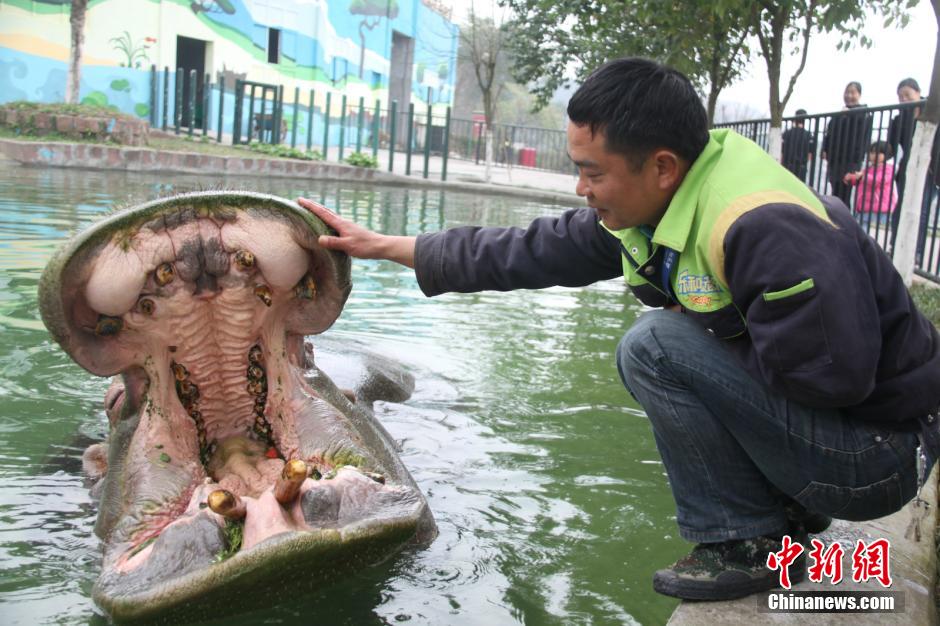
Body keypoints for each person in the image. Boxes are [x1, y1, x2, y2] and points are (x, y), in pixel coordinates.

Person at [297, 58, 940, 602]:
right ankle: (782, 517)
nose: (580, 189)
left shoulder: (764, 228)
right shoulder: (662, 203)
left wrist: (708, 329)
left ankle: (745, 541)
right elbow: (527, 249)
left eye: (593, 172)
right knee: (667, 340)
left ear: (661, 166)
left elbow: (836, 377)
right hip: (840, 439)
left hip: (877, 459)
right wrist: (386, 245)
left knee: (655, 346)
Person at [888, 77, 940, 261]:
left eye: (907, 95)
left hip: (929, 171)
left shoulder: (933, 115)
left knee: (921, 210)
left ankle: (915, 252)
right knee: (900, 208)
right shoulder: (900, 118)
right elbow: (891, 148)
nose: (903, 100)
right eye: (900, 96)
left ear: (918, 93)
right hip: (907, 171)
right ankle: (895, 245)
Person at [822, 81, 873, 206]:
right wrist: (825, 149)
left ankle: (842, 221)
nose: (849, 95)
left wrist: (847, 115)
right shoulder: (838, 115)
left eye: (852, 92)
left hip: (850, 161)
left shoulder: (864, 113)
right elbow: (829, 133)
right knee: (836, 193)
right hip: (835, 160)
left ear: (859, 95)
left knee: (844, 194)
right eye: (847, 92)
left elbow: (862, 138)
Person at [843, 140, 896, 225]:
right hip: (864, 208)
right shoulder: (868, 169)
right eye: (872, 153)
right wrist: (851, 178)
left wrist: (862, 176)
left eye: (879, 153)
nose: (875, 155)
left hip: (879, 209)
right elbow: (861, 181)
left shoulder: (888, 169)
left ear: (887, 155)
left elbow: (879, 180)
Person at [781, 109, 815, 182]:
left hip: (787, 166)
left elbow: (782, 153)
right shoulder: (808, 135)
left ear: (795, 119)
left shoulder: (787, 133)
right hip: (801, 167)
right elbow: (810, 155)